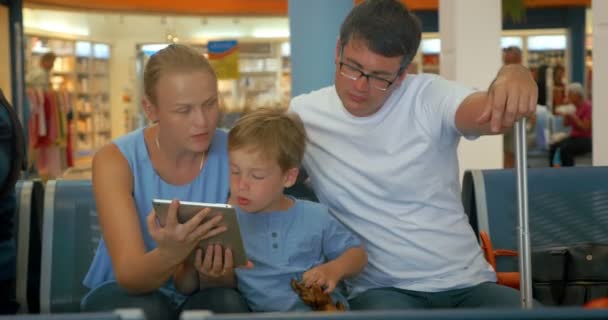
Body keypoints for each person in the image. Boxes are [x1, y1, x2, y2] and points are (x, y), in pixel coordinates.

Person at [289, 0, 538, 309]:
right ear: (338, 49)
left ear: (403, 73)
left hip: (467, 280)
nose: (360, 86)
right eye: (352, 67)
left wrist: (513, 75)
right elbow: (260, 163)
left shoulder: (429, 96)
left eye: (380, 77)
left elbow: (491, 113)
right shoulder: (304, 115)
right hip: (381, 289)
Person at [81, 44, 249, 320]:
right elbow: (130, 276)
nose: (202, 121)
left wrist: (216, 273)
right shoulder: (115, 160)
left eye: (210, 104)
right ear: (150, 108)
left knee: (225, 305)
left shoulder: (237, 150)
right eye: (184, 110)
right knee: (148, 311)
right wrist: (173, 254)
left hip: (201, 289)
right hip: (125, 289)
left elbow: (236, 271)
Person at [174, 108, 367, 312]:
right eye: (234, 171)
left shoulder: (315, 216)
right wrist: (194, 264)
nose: (242, 184)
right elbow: (184, 286)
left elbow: (357, 255)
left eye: (256, 176)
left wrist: (334, 269)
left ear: (289, 177)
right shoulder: (223, 222)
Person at [548, 82, 592, 167]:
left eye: (570, 94)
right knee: (553, 146)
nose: (568, 96)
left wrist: (573, 115)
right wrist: (566, 112)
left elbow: (585, 127)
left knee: (565, 149)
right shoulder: (573, 107)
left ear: (577, 95)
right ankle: (552, 171)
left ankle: (568, 171)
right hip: (574, 137)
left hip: (585, 139)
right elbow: (565, 124)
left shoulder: (587, 107)